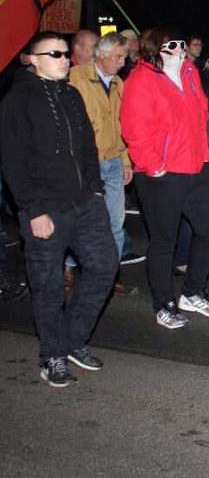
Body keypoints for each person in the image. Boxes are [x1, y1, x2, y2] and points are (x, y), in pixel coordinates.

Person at [0, 32, 118, 386]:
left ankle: (73, 339)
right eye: (55, 54)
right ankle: (52, 354)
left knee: (104, 266)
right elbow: (12, 162)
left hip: (84, 203)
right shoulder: (17, 100)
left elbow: (87, 146)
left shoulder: (70, 94)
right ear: (33, 59)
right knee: (48, 285)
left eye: (66, 53)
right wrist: (32, 210)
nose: (64, 59)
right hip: (44, 208)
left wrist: (95, 190)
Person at [121, 27, 209, 329]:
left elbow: (202, 117)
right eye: (171, 45)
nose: (179, 49)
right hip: (161, 174)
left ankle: (192, 291)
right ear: (155, 49)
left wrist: (207, 155)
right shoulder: (141, 79)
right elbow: (134, 127)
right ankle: (163, 303)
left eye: (181, 44)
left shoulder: (190, 73)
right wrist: (153, 165)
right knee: (164, 240)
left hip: (196, 167)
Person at [68, 32, 140, 295]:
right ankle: (70, 267)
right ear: (102, 55)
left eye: (124, 57)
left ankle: (110, 276)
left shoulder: (119, 83)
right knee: (85, 222)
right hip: (88, 163)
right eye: (118, 57)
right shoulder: (76, 78)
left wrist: (126, 160)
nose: (123, 62)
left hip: (114, 161)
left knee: (116, 222)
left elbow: (122, 125)